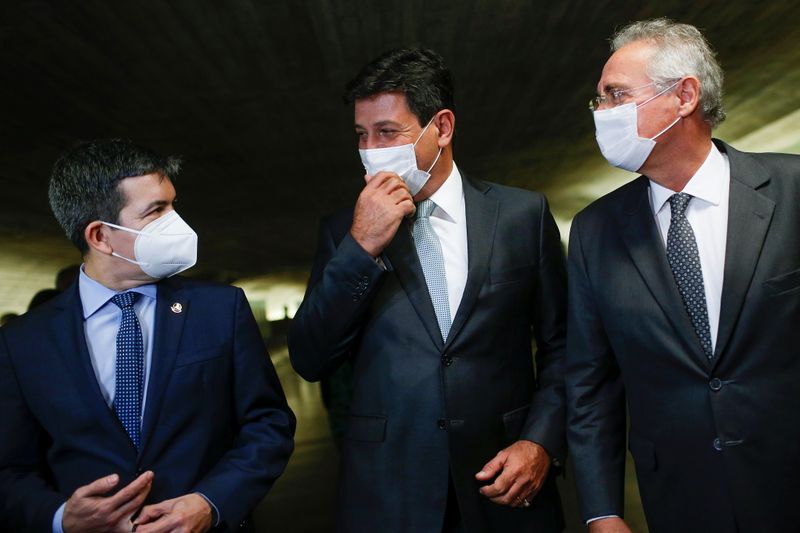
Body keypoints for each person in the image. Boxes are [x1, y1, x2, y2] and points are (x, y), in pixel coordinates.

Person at [288, 48, 567, 532]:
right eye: (361, 135)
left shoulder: (522, 215)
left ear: (441, 127)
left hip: (505, 484)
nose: (371, 149)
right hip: (390, 495)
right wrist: (361, 246)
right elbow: (310, 358)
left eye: (387, 132)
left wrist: (540, 442)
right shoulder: (342, 232)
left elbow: (565, 348)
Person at [565, 18, 800, 533]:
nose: (601, 114)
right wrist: (602, 511)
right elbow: (589, 384)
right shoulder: (594, 231)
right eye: (599, 101)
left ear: (684, 96)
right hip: (679, 497)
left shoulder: (792, 189)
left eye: (616, 95)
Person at [0, 139, 296, 532]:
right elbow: (9, 470)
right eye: (156, 211)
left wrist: (212, 502)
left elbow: (268, 424)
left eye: (172, 204)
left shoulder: (221, 309)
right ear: (100, 236)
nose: (176, 222)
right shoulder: (23, 342)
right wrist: (60, 518)